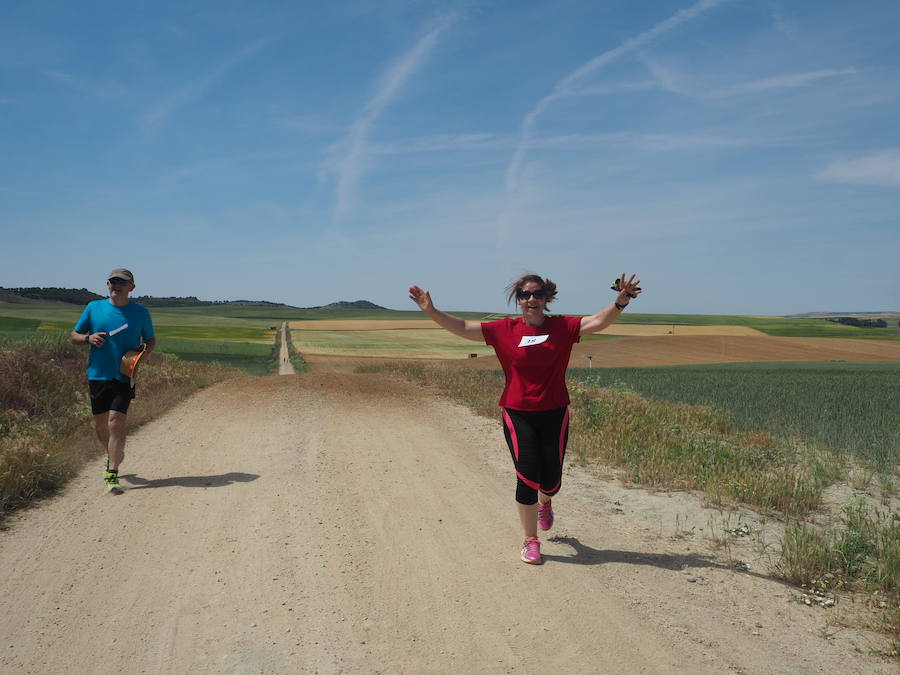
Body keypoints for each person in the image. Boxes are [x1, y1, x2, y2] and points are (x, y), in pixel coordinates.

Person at [409, 272, 641, 564]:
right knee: (527, 473)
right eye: (525, 295)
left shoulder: (562, 326)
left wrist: (621, 300)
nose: (531, 299)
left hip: (555, 411)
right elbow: (464, 327)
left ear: (546, 298)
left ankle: (546, 502)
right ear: (517, 300)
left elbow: (597, 321)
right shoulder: (503, 330)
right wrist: (431, 310)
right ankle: (530, 540)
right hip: (517, 412)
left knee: (551, 480)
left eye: (537, 294)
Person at [70, 268, 156, 495]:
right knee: (100, 425)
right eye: (112, 281)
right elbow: (74, 336)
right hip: (97, 374)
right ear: (107, 284)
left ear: (132, 287)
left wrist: (140, 358)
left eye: (122, 282)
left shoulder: (141, 313)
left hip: (125, 375)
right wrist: (88, 338)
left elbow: (150, 340)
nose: (116, 285)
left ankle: (112, 472)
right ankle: (113, 453)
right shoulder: (93, 308)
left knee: (116, 421)